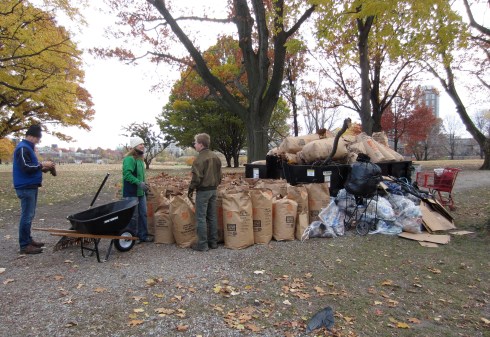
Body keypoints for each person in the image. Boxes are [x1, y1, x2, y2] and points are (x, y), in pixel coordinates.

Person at [13, 124, 56, 254]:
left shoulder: (28, 148)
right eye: (37, 138)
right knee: (27, 216)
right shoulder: (22, 148)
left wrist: (43, 168)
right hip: (25, 187)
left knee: (30, 215)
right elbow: (25, 167)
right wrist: (42, 164)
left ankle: (28, 239)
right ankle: (24, 245)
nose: (38, 141)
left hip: (31, 186)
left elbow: (32, 166)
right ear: (31, 136)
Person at [188, 133, 222, 251]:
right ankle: (213, 242)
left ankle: (202, 244)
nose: (194, 145)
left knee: (200, 217)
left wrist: (191, 189)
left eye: (195, 143)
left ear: (201, 145)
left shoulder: (199, 159)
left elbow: (196, 178)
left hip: (203, 191)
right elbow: (220, 176)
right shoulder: (215, 157)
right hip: (213, 190)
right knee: (212, 216)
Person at [122, 137, 153, 243]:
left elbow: (140, 176)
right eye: (140, 144)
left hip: (140, 192)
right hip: (131, 192)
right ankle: (131, 238)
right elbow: (127, 175)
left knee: (143, 214)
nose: (142, 146)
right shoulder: (129, 159)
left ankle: (143, 236)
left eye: (143, 144)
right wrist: (139, 183)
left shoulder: (140, 160)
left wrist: (144, 184)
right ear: (134, 146)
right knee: (132, 216)